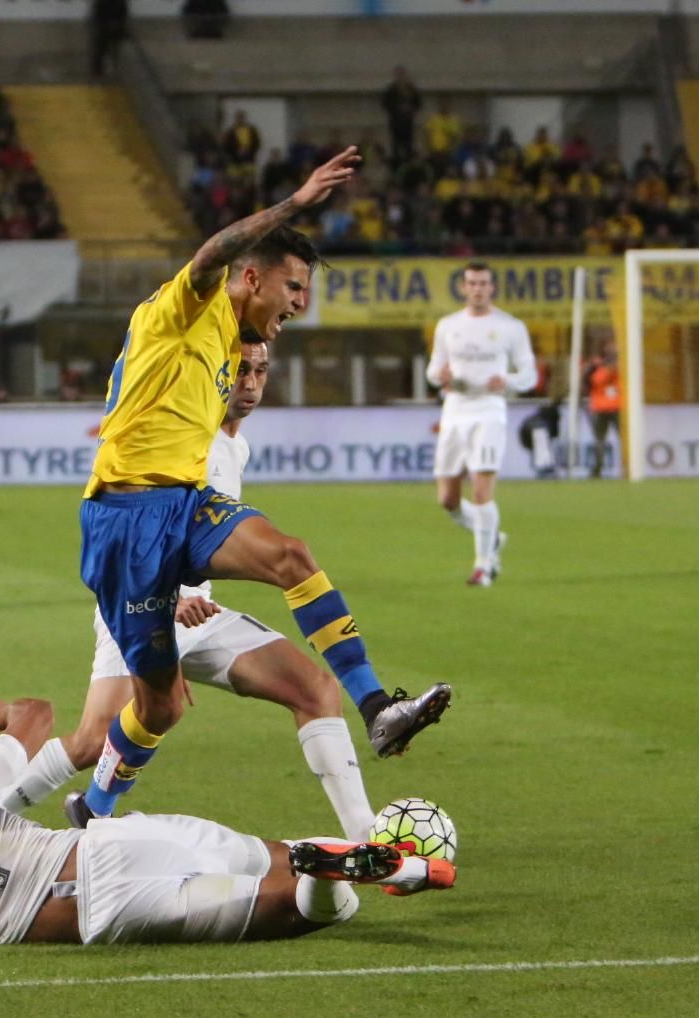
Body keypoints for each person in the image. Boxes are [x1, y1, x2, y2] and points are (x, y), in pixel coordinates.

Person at [72, 145, 452, 829]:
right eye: (294, 288)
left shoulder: (229, 342)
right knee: (158, 706)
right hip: (123, 520)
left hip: (184, 506)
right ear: (252, 276)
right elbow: (212, 251)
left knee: (291, 556)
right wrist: (297, 204)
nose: (299, 306)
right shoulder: (186, 309)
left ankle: (375, 707)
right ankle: (93, 810)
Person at [0, 342, 377, 843]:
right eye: (239, 370)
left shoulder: (233, 444)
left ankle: (368, 840)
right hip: (140, 604)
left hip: (200, 614)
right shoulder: (183, 441)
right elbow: (133, 528)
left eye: (260, 370)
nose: (250, 382)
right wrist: (169, 597)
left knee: (316, 690)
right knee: (93, 739)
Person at [0, 694, 455, 945]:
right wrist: (0, 716)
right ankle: (359, 863)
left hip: (110, 916)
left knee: (291, 908)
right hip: (112, 847)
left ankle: (325, 877)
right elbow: (37, 716)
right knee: (266, 851)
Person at [428, 261, 539, 586]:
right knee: (447, 499)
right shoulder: (448, 326)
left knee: (481, 491)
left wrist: (506, 381)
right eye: (472, 283)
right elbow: (433, 370)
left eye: (483, 283)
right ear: (463, 288)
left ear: (492, 288)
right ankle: (491, 536)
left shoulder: (510, 327)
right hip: (455, 410)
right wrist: (440, 376)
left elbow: (529, 375)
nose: (478, 289)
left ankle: (484, 565)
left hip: (489, 411)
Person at [584, 339, 621, 479]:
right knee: (599, 440)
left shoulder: (624, 363)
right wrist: (607, 369)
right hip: (600, 408)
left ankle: (628, 466)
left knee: (624, 438)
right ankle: (597, 469)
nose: (613, 348)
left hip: (617, 406)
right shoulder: (596, 365)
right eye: (610, 345)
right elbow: (594, 381)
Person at [381, 66, 422, 165]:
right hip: (395, 123)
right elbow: (385, 104)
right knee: (395, 148)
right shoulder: (391, 90)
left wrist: (410, 109)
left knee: (409, 147)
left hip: (408, 123)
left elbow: (418, 103)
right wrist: (397, 108)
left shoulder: (411, 89)